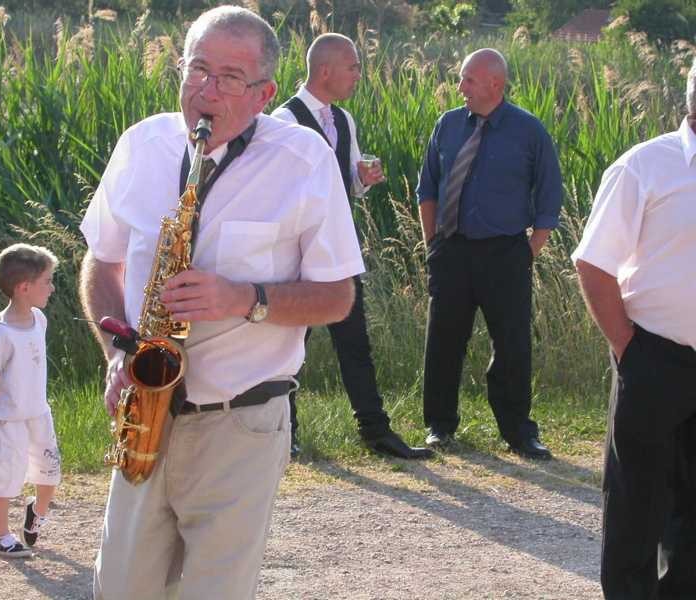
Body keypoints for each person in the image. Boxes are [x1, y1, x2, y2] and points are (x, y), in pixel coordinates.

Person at [78, 6, 364, 599]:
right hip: (143, 415)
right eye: (198, 69)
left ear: (265, 93)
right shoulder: (142, 145)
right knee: (120, 590)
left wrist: (244, 298)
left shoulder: (304, 161)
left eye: (230, 78)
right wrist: (114, 354)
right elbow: (99, 264)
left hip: (242, 424)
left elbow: (339, 297)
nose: (207, 91)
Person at [272, 33, 430, 460]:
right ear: (326, 70)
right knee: (289, 346)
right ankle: (285, 434)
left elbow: (348, 186)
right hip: (295, 255)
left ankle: (376, 432)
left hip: (338, 250)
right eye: (353, 66)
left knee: (355, 341)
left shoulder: (344, 121)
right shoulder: (283, 122)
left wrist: (363, 179)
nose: (358, 74)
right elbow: (280, 192)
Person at [572, 58, 696, 599]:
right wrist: (628, 347)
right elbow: (593, 263)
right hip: (655, 358)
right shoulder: (645, 166)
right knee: (636, 503)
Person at [416, 48, 562, 459]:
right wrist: (434, 244)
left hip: (506, 254)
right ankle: (439, 426)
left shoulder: (528, 131)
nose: (460, 87)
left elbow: (549, 195)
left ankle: (519, 432)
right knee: (443, 340)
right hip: (452, 250)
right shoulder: (447, 125)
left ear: (494, 84)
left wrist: (529, 252)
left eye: (468, 80)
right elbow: (427, 188)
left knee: (512, 344)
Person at [0, 243, 61, 558]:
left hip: (39, 414)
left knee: (50, 473)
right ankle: (0, 536)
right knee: (4, 477)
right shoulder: (0, 335)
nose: (52, 288)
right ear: (24, 288)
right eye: (47, 282)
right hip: (8, 418)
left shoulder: (39, 319)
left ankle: (35, 514)